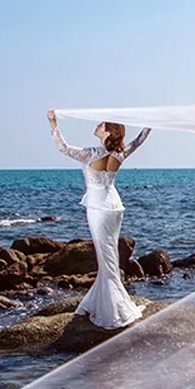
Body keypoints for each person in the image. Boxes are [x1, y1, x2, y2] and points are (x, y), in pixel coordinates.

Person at [47, 109, 152, 329]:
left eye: (101, 124)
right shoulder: (121, 153)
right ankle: (101, 300)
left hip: (98, 208)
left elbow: (63, 148)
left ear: (108, 132)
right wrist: (149, 124)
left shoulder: (90, 153)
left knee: (106, 258)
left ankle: (114, 309)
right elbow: (140, 140)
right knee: (109, 255)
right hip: (115, 207)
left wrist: (53, 124)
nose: (97, 126)